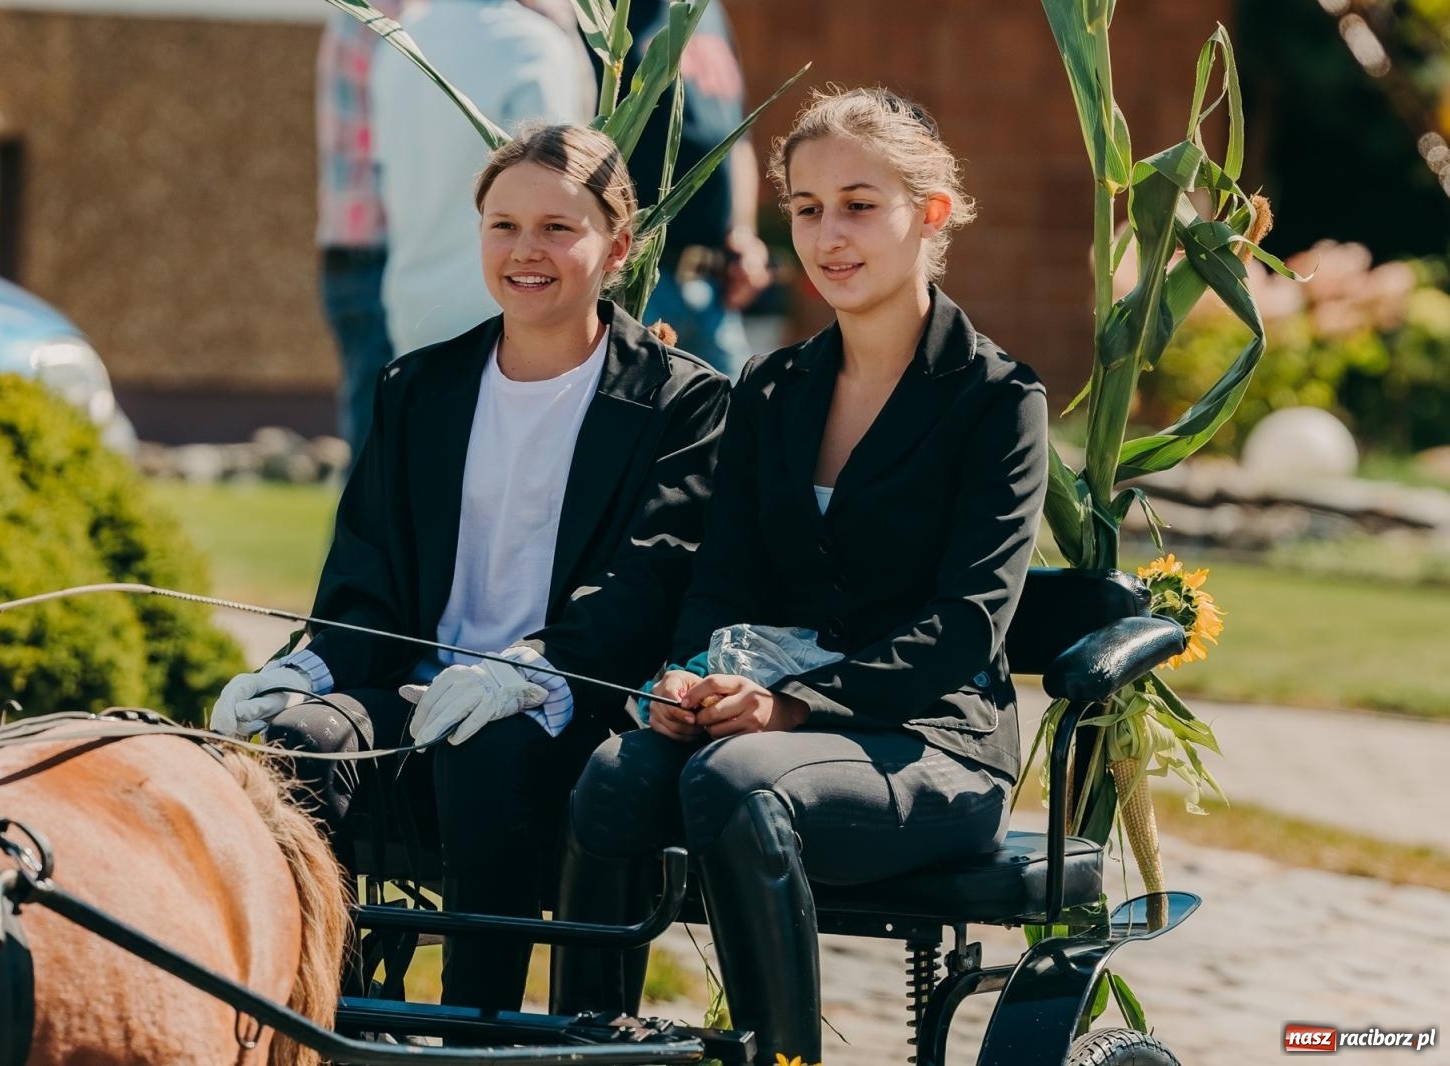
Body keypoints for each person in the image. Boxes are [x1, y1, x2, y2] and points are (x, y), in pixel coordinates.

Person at [549, 88, 1050, 1061]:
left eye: (859, 204)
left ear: (930, 213)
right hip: (761, 722)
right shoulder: (772, 391)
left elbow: (967, 625)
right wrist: (687, 674)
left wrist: (794, 707)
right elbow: (723, 580)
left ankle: (777, 1052)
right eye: (808, 208)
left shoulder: (995, 401)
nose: (829, 235)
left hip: (929, 743)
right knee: (613, 777)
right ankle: (586, 1044)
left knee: (736, 780)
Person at [210, 123, 729, 1014]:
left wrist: (529, 670)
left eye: (559, 229)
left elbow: (649, 584)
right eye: (504, 226)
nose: (528, 252)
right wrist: (309, 667)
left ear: (618, 247)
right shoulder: (418, 388)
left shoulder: (683, 402)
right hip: (420, 696)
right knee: (303, 745)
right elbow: (367, 578)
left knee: (485, 745)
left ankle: (476, 1032)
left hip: (566, 708)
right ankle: (327, 1023)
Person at [371, 0, 594, 356]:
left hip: (412, 311)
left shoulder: (399, 40)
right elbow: (560, 187)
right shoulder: (530, 44)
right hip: (508, 311)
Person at [619, 0, 771, 378]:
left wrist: (744, 233)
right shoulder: (606, 13)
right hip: (638, 281)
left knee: (734, 430)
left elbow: (737, 137)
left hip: (715, 283)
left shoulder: (708, 9)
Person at [315, 0, 399, 457]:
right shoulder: (395, 17)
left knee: (375, 455)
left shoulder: (359, 11)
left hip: (355, 253)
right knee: (380, 464)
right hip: (380, 256)